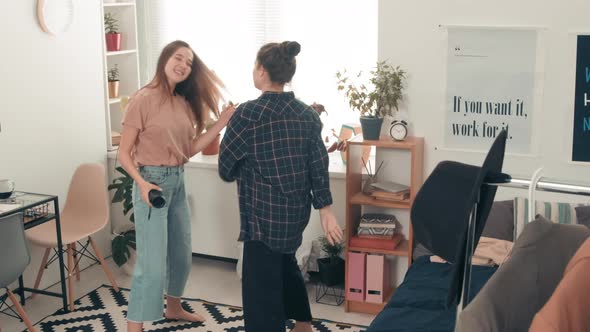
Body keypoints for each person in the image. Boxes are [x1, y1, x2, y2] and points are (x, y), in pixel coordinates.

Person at [218, 41, 343, 332]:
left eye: (254, 66)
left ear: (262, 71)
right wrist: (325, 209)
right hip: (294, 216)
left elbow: (225, 167)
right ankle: (303, 324)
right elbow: (317, 164)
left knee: (261, 294)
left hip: (261, 218)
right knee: (285, 263)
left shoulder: (248, 114)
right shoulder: (307, 115)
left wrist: (244, 169)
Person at [118, 40, 235, 332]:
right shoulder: (142, 99)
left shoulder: (183, 103)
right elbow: (123, 153)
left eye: (189, 62)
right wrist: (142, 184)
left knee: (182, 254)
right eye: (179, 58)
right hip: (151, 184)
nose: (183, 65)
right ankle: (135, 325)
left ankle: (173, 307)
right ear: (165, 59)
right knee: (152, 264)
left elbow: (189, 149)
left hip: (178, 181)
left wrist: (221, 123)